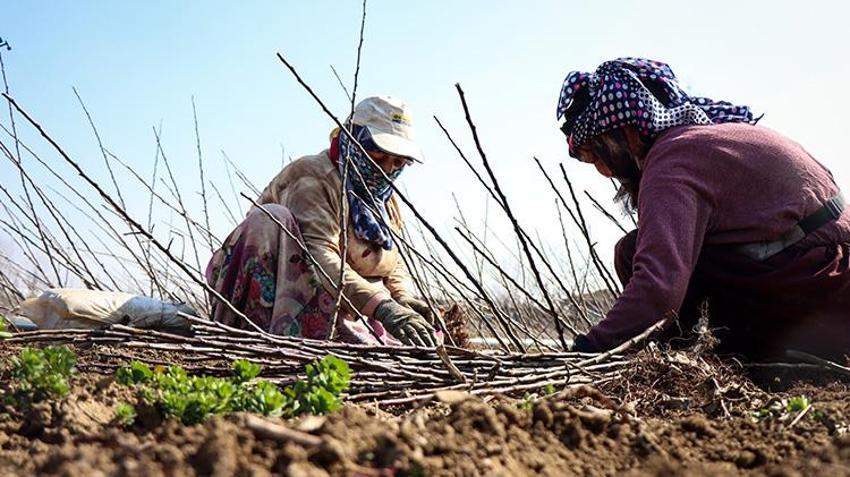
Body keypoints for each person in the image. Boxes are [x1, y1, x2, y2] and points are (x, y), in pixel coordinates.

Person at [558, 58, 850, 360]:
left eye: (598, 155)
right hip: (833, 279)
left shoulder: (671, 162)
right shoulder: (710, 137)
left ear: (629, 133)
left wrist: (592, 349)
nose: (604, 171)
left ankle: (734, 361)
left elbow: (658, 289)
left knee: (631, 253)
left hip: (821, 292)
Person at [206, 96, 438, 347]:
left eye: (398, 163)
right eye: (378, 158)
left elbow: (391, 262)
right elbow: (320, 255)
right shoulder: (313, 177)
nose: (387, 170)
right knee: (270, 218)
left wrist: (403, 298)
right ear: (353, 141)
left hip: (349, 306)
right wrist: (382, 306)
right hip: (298, 294)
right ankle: (258, 339)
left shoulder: (383, 200)